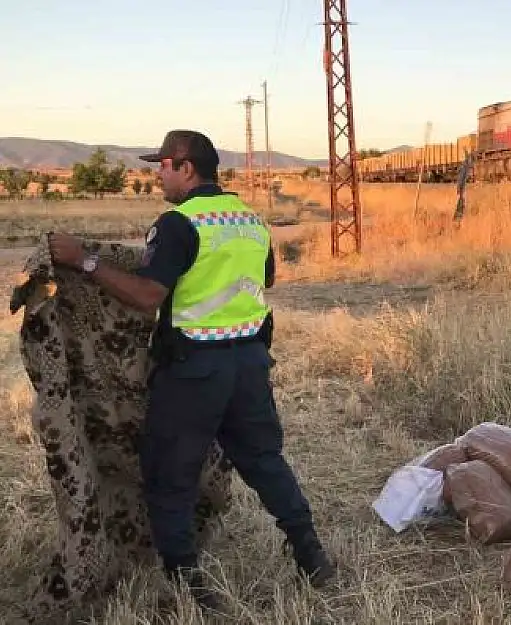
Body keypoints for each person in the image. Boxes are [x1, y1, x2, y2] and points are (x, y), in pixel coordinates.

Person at [47, 130, 335, 611]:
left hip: (194, 370)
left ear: (185, 167)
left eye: (161, 165)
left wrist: (86, 261)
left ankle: (187, 584)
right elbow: (261, 281)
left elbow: (147, 297)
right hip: (248, 365)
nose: (156, 174)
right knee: (265, 461)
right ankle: (312, 555)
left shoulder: (178, 224)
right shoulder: (250, 220)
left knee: (170, 476)